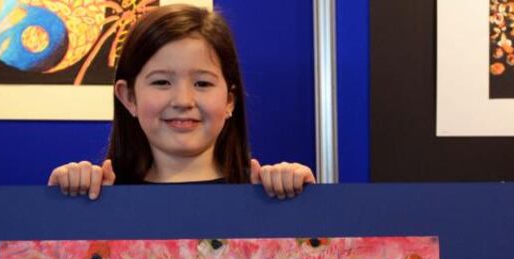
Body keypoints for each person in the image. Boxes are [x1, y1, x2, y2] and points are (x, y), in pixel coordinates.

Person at [47, 5, 315, 200]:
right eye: (162, 82)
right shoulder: (99, 199)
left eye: (202, 84)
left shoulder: (267, 199)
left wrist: (305, 203)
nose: (183, 100)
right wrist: (64, 203)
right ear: (129, 98)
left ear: (229, 101)